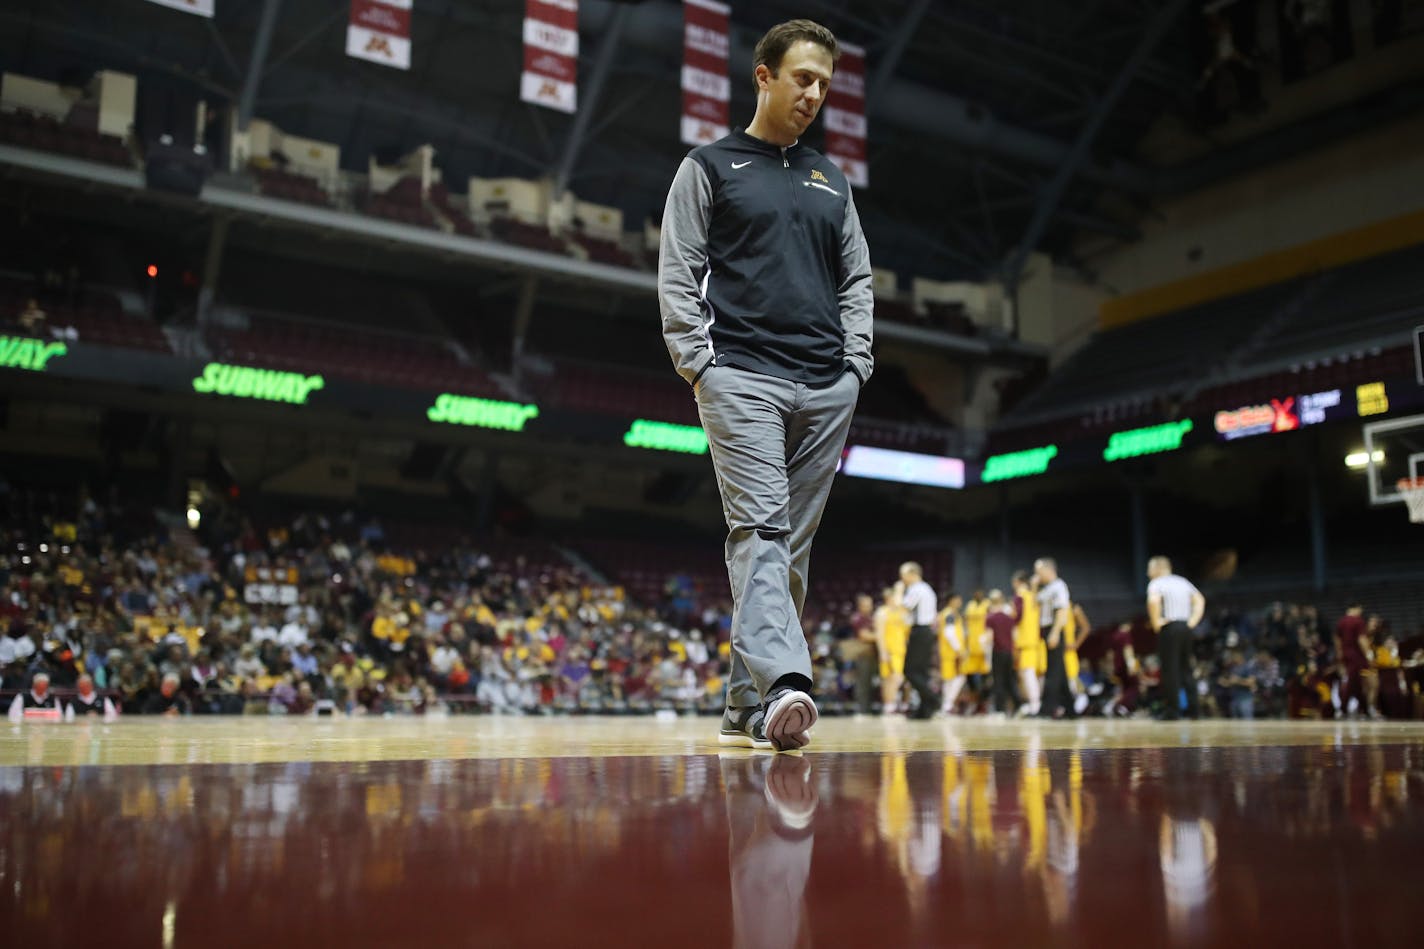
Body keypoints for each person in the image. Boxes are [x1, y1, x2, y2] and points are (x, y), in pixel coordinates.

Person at [661, 19, 873, 752]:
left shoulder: (831, 181)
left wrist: (856, 367)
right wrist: (700, 363)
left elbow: (858, 279)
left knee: (793, 549)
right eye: (802, 77)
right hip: (742, 378)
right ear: (764, 76)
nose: (814, 93)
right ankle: (788, 682)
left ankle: (745, 705)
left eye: (824, 83)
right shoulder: (710, 167)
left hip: (825, 387)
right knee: (761, 531)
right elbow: (679, 268)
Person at [1146, 556, 1206, 721]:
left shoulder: (1157, 583)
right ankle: (1195, 710)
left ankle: (1172, 711)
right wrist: (1192, 621)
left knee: (1169, 670)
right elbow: (1200, 600)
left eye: (1149, 569)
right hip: (1186, 628)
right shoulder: (1183, 581)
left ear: (1158, 568)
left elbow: (1153, 601)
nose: (1147, 572)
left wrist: (1156, 622)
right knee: (1186, 668)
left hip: (1169, 627)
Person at [896, 563, 939, 720]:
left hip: (920, 631)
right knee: (921, 672)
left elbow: (904, 607)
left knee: (910, 671)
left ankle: (934, 700)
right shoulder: (927, 589)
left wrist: (899, 592)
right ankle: (925, 710)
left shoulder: (917, 588)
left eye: (903, 574)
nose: (902, 578)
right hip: (927, 632)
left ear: (913, 573)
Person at [1035, 559, 1073, 718]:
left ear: (1048, 570)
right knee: (1060, 672)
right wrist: (1033, 585)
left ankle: (1047, 709)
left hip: (1054, 629)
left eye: (1038, 571)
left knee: (1053, 672)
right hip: (1046, 629)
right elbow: (1033, 604)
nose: (1036, 575)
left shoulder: (1059, 586)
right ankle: (1071, 710)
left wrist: (1056, 632)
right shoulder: (1046, 589)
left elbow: (1062, 611)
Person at [1334, 602, 1378, 719]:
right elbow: (1361, 639)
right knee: (1352, 682)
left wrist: (1340, 654)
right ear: (1357, 608)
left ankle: (1365, 709)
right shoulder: (1358, 621)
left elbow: (1337, 640)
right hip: (1356, 657)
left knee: (1356, 684)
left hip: (1346, 656)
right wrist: (1369, 654)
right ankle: (1343, 709)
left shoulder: (1341, 622)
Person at [874, 587, 909, 716]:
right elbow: (880, 634)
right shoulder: (882, 612)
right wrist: (883, 652)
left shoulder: (901, 613)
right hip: (889, 651)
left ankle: (890, 705)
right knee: (891, 678)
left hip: (900, 650)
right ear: (889, 598)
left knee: (895, 678)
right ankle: (889, 705)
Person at [1012, 571, 1041, 716]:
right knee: (1031, 674)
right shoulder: (1033, 597)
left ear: (1017, 582)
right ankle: (1034, 704)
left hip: (1024, 641)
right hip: (1034, 640)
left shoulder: (1020, 596)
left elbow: (1016, 618)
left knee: (1028, 674)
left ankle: (1035, 705)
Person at [985, 590, 1019, 714]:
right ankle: (1018, 704)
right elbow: (1015, 636)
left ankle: (1000, 709)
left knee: (998, 680)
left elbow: (989, 637)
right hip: (1009, 652)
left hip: (998, 652)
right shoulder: (1009, 618)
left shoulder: (990, 618)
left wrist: (982, 643)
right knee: (1010, 680)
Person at [938, 593, 967, 715]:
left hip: (950, 652)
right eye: (958, 600)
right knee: (954, 678)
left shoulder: (953, 614)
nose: (960, 602)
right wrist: (959, 650)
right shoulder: (949, 614)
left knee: (951, 679)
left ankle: (947, 705)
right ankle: (947, 705)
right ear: (951, 600)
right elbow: (949, 633)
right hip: (951, 652)